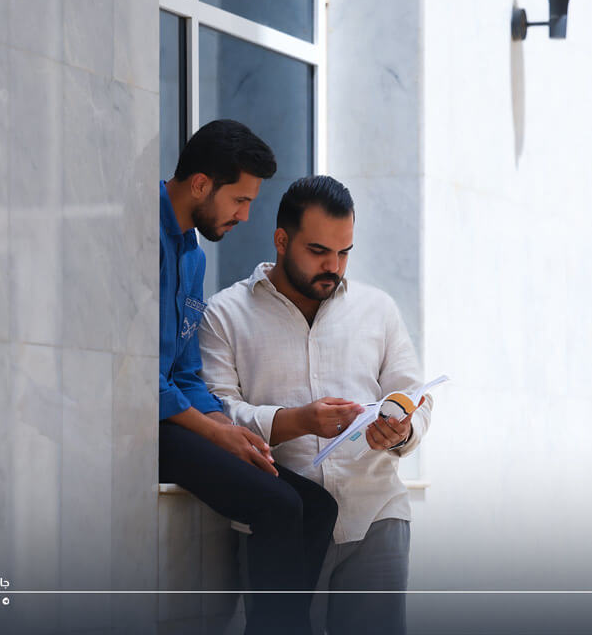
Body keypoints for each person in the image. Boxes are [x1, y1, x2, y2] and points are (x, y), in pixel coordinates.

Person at [199, 174, 434, 635]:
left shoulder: (378, 309)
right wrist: (297, 422)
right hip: (280, 526)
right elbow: (217, 416)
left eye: (344, 252)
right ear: (281, 240)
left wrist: (401, 430)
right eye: (319, 251)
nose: (334, 266)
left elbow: (417, 399)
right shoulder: (225, 314)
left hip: (377, 518)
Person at [158, 121, 338, 635]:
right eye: (239, 200)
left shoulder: (193, 256)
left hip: (180, 417)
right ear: (201, 184)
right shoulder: (140, 237)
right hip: (140, 423)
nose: (245, 215)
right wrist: (216, 432)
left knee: (318, 506)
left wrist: (226, 427)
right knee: (278, 505)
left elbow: (184, 370)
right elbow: (135, 375)